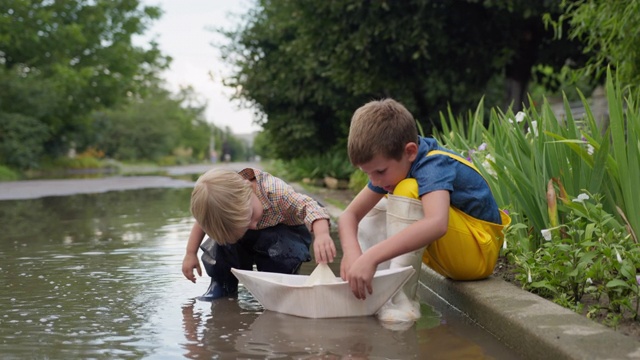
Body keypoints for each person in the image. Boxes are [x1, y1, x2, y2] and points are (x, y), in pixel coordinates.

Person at [338, 98, 510, 321]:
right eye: (367, 173)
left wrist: (370, 257)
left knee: (407, 190)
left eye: (379, 171)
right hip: (452, 253)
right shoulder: (394, 168)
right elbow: (349, 216)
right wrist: (353, 256)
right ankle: (370, 289)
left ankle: (401, 302)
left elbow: (436, 224)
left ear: (410, 151)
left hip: (477, 255)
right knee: (383, 201)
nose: (375, 180)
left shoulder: (433, 164)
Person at [182, 167, 336, 300]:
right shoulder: (223, 208)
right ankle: (222, 284)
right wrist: (190, 253)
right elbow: (202, 223)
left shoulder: (277, 192)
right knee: (221, 242)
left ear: (248, 188)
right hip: (247, 240)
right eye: (245, 225)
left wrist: (322, 234)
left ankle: (277, 286)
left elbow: (310, 206)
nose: (253, 226)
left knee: (281, 251)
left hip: (285, 233)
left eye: (250, 217)